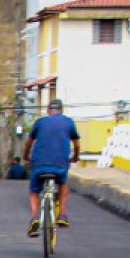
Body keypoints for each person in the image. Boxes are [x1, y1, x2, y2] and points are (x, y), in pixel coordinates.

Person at [23, 97, 81, 236]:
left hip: (39, 164)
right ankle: (62, 215)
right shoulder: (68, 122)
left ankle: (34, 217)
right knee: (63, 183)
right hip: (60, 164)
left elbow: (28, 144)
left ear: (48, 110)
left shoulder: (40, 122)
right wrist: (75, 157)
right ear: (61, 111)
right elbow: (77, 145)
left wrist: (26, 157)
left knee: (34, 191)